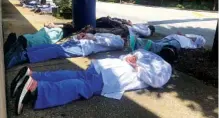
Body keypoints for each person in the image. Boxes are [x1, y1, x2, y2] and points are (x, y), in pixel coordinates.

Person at [11, 49, 172, 115]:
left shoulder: (147, 52)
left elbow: (128, 56)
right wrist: (138, 68)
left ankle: (33, 75)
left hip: (105, 67)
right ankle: (36, 89)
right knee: (82, 86)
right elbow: (157, 81)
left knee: (74, 75)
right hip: (114, 77)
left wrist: (131, 61)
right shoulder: (166, 67)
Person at [5, 33, 124, 68]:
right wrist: (84, 35)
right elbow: (96, 36)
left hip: (82, 48)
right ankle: (22, 52)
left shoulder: (120, 41)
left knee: (56, 50)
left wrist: (92, 37)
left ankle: (22, 56)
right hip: (79, 42)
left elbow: (110, 43)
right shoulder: (113, 34)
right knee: (53, 47)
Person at [129, 32, 206, 63]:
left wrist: (182, 35)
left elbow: (190, 37)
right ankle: (136, 43)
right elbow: (186, 36)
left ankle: (136, 42)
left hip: (175, 41)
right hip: (174, 40)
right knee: (156, 45)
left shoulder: (194, 44)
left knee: (155, 45)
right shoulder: (191, 42)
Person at [4, 22, 74, 54]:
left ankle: (11, 46)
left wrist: (52, 26)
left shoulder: (58, 30)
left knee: (16, 37)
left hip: (31, 40)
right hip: (33, 43)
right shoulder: (61, 35)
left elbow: (47, 26)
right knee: (20, 41)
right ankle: (13, 46)